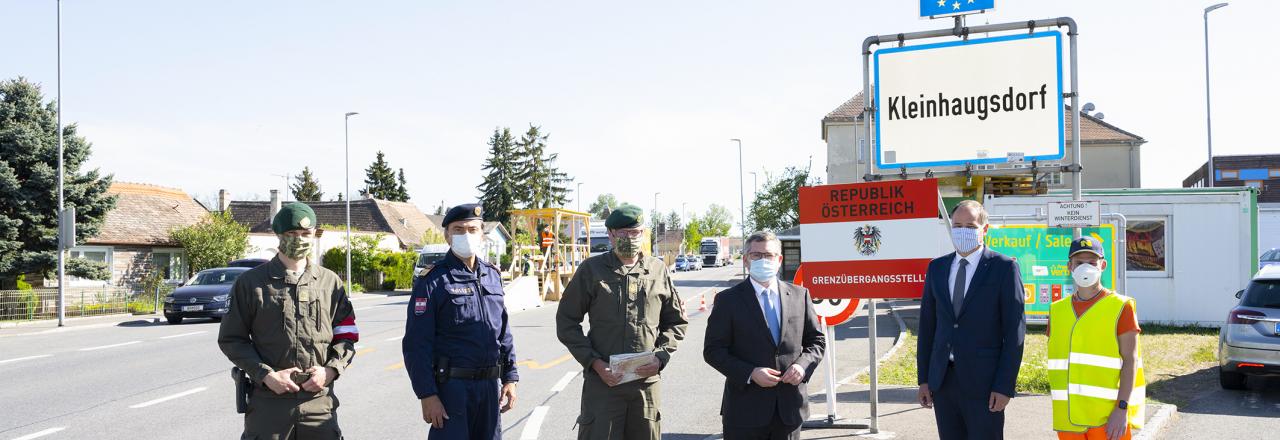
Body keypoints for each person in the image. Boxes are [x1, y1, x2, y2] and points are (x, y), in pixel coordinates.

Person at [218, 202, 358, 439]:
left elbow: (346, 335)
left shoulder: (330, 282)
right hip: (268, 405)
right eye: (292, 233)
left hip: (319, 404)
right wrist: (266, 376)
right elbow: (232, 339)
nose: (299, 239)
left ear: (313, 235)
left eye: (305, 234)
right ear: (279, 235)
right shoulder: (251, 283)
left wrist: (330, 371)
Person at [556, 203, 688, 440]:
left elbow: (676, 322)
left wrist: (660, 357)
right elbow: (566, 322)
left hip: (645, 385)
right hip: (604, 384)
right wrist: (595, 363)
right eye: (623, 233)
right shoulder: (591, 270)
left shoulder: (658, 270)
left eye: (635, 232)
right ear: (611, 234)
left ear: (643, 234)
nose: (630, 237)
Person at [403, 203, 519, 440]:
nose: (466, 234)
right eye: (458, 229)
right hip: (452, 390)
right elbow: (417, 344)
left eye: (472, 229)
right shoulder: (433, 280)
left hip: (489, 388)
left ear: (482, 235)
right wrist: (427, 394)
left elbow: (503, 332)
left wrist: (510, 377)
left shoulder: (492, 275)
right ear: (447, 235)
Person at [917, 199, 1026, 439]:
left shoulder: (1004, 267)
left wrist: (1004, 385)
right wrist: (924, 379)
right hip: (944, 381)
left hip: (985, 384)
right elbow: (927, 327)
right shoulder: (937, 268)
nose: (962, 231)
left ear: (984, 229)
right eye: (957, 225)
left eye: (970, 225)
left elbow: (1014, 333)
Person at [704, 231, 826, 440]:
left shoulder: (800, 295)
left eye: (768, 255)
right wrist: (750, 373)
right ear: (746, 260)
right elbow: (713, 351)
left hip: (789, 410)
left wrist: (802, 366)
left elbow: (816, 341)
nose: (763, 260)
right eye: (756, 255)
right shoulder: (727, 300)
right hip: (744, 413)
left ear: (779, 260)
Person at [1048, 237, 1145, 440]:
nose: (1085, 267)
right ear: (1069, 267)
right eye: (1079, 262)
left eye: (1091, 262)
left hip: (1108, 419)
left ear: (1103, 265)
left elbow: (1130, 361)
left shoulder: (1121, 307)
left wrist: (1122, 409)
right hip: (1068, 419)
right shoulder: (1057, 311)